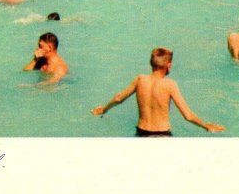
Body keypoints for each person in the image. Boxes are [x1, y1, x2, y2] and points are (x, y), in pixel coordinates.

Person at [91, 47, 224, 136]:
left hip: (141, 132)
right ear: (168, 65)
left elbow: (119, 98)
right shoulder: (170, 84)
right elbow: (187, 115)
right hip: (162, 135)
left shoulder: (140, 79)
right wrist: (206, 126)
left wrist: (104, 109)